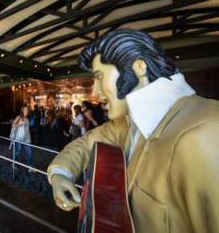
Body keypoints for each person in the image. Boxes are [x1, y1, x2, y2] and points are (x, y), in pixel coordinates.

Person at [47, 29, 219, 233]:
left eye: (100, 77)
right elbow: (85, 143)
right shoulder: (128, 123)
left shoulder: (207, 130)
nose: (95, 91)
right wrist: (60, 174)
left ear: (139, 67)